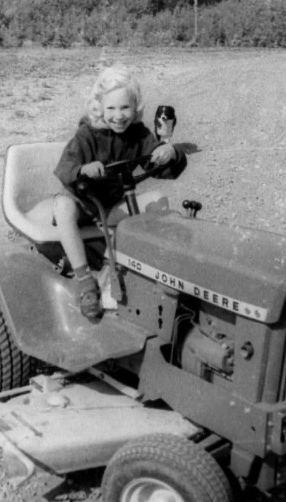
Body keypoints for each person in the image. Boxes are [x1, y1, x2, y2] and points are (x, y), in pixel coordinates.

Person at [53, 64, 186, 319]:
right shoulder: (86, 135)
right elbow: (65, 167)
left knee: (157, 199)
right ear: (99, 107)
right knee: (62, 206)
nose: (118, 116)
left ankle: (114, 266)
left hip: (112, 205)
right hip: (84, 202)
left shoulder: (139, 134)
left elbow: (156, 164)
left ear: (135, 107)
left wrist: (169, 152)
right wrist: (83, 170)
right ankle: (85, 280)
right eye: (111, 108)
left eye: (125, 107)